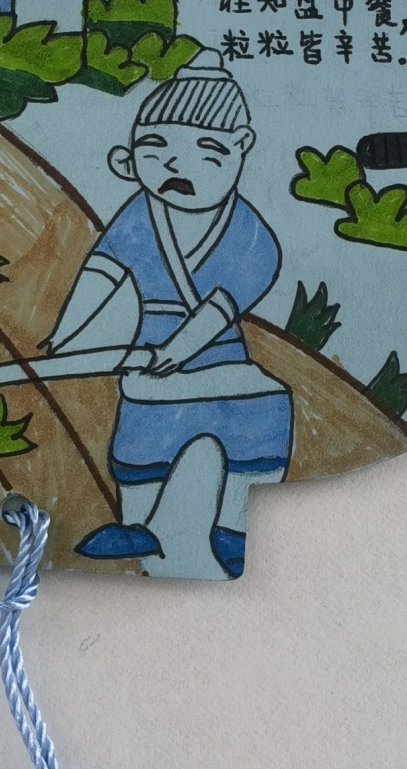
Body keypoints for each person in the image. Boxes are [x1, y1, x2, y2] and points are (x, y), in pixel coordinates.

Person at [43, 51, 293, 578]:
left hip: (217, 351)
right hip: (145, 343)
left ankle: (234, 526)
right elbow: (104, 271)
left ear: (240, 147)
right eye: (156, 150)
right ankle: (138, 523)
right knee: (142, 418)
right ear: (131, 157)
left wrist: (176, 352)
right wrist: (68, 338)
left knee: (261, 407)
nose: (177, 168)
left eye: (207, 153)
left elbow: (219, 310)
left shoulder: (251, 235)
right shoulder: (141, 213)